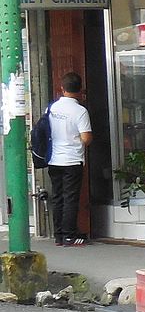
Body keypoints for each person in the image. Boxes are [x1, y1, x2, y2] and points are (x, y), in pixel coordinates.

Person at [48, 71, 92, 247]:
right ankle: (69, 235)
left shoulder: (52, 108)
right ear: (80, 90)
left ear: (62, 88)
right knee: (70, 198)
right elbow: (86, 138)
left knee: (57, 197)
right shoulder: (80, 111)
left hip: (53, 159)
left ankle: (58, 235)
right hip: (72, 160)